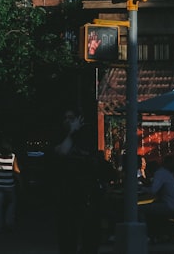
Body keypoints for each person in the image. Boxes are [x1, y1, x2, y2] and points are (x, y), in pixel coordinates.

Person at [52, 108, 108, 254]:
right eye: (65, 118)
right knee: (67, 240)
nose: (68, 121)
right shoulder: (60, 138)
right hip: (66, 199)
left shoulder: (87, 139)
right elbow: (62, 152)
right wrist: (72, 132)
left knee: (89, 239)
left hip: (88, 198)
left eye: (71, 118)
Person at [139, 156, 174, 233]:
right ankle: (153, 232)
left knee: (139, 209)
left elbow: (153, 190)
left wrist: (142, 189)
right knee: (150, 205)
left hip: (167, 206)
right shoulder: (166, 173)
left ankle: (143, 233)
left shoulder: (159, 173)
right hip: (172, 204)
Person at [0, 137, 21, 233]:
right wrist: (21, 181)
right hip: (9, 185)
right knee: (11, 203)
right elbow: (16, 171)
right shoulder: (12, 156)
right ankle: (9, 222)